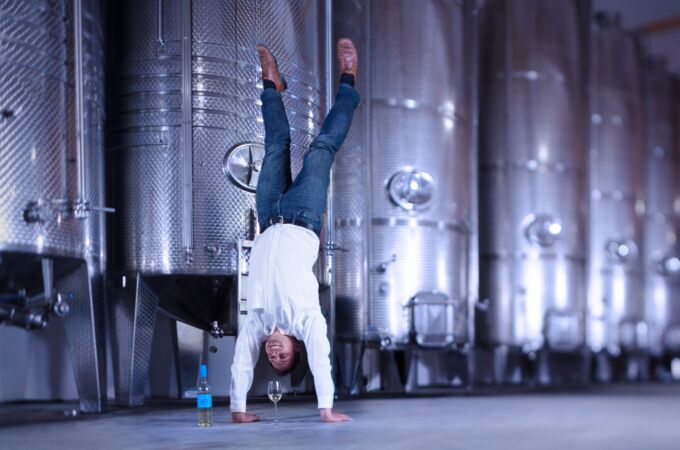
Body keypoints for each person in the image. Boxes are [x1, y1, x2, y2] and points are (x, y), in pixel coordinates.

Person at [230, 38, 360, 424]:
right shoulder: (308, 319)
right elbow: (321, 358)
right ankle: (349, 80)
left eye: (272, 359)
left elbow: (240, 360)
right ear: (295, 348)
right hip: (303, 216)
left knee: (274, 145)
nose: (273, 354)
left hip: (269, 215)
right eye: (283, 356)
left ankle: (271, 84)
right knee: (321, 148)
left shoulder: (255, 321)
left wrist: (238, 409)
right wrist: (326, 408)